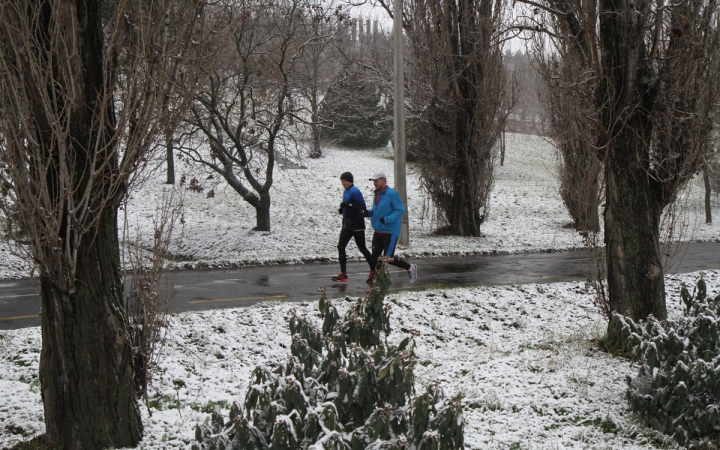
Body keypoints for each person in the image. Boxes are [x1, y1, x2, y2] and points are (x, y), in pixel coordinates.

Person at [365, 171, 417, 284]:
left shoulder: (392, 194)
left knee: (388, 258)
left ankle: (409, 267)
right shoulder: (377, 194)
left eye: (377, 181)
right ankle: (380, 280)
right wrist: (368, 213)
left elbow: (400, 210)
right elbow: (376, 211)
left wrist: (387, 219)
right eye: (373, 181)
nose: (375, 183)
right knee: (376, 257)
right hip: (378, 230)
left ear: (384, 180)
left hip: (390, 231)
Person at [331, 172, 373, 282]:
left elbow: (362, 207)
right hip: (347, 225)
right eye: (341, 181)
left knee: (362, 248)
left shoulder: (355, 191)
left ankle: (374, 270)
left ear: (349, 181)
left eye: (344, 181)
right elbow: (349, 206)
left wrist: (348, 205)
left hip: (357, 225)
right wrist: (343, 210)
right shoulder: (346, 191)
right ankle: (343, 274)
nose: (342, 183)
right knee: (340, 247)